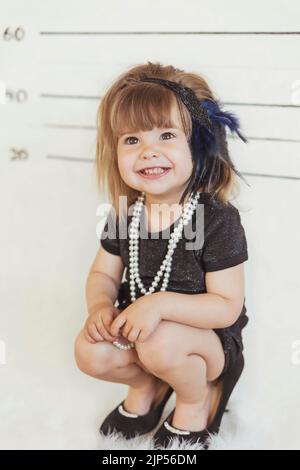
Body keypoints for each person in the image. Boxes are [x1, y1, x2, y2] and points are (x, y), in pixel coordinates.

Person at [74, 61, 249, 449]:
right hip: (142, 334)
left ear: (200, 145)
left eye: (166, 135)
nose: (148, 152)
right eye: (132, 140)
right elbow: (102, 275)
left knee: (162, 342)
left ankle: (194, 397)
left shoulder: (214, 218)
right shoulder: (127, 214)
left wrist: (159, 305)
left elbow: (226, 306)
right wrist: (100, 307)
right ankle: (146, 383)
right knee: (89, 350)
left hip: (206, 343)